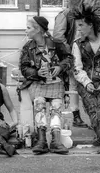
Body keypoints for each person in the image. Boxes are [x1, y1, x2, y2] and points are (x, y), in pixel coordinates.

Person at [19, 16, 73, 155]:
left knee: (56, 106)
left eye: (29, 27)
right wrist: (37, 72)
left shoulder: (56, 43)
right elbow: (24, 68)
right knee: (39, 104)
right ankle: (41, 140)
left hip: (56, 83)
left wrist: (60, 67)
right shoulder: (27, 47)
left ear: (38, 30)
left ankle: (56, 141)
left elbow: (69, 58)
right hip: (38, 83)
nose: (26, 30)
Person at [72, 7, 100, 153]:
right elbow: (77, 68)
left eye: (81, 25)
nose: (78, 29)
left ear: (90, 25)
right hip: (86, 82)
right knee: (92, 104)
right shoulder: (77, 44)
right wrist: (87, 83)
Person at [52, 0, 89, 129]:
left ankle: (82, 115)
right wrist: (70, 51)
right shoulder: (65, 15)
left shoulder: (82, 15)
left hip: (83, 54)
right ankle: (75, 116)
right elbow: (58, 37)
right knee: (73, 84)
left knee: (80, 83)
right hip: (73, 55)